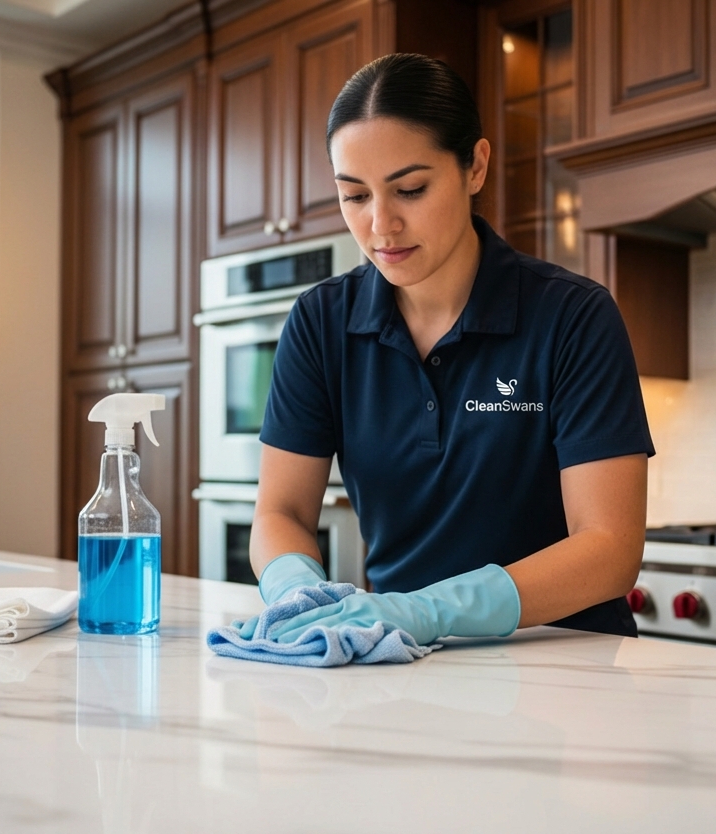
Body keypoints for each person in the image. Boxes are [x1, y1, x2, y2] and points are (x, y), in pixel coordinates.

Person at [248, 53, 654, 646]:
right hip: (402, 659)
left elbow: (609, 548)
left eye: (410, 189)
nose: (381, 226)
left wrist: (429, 611)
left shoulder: (572, 316)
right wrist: (296, 593)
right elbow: (279, 512)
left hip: (564, 666)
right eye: (354, 196)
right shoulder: (320, 323)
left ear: (475, 167)